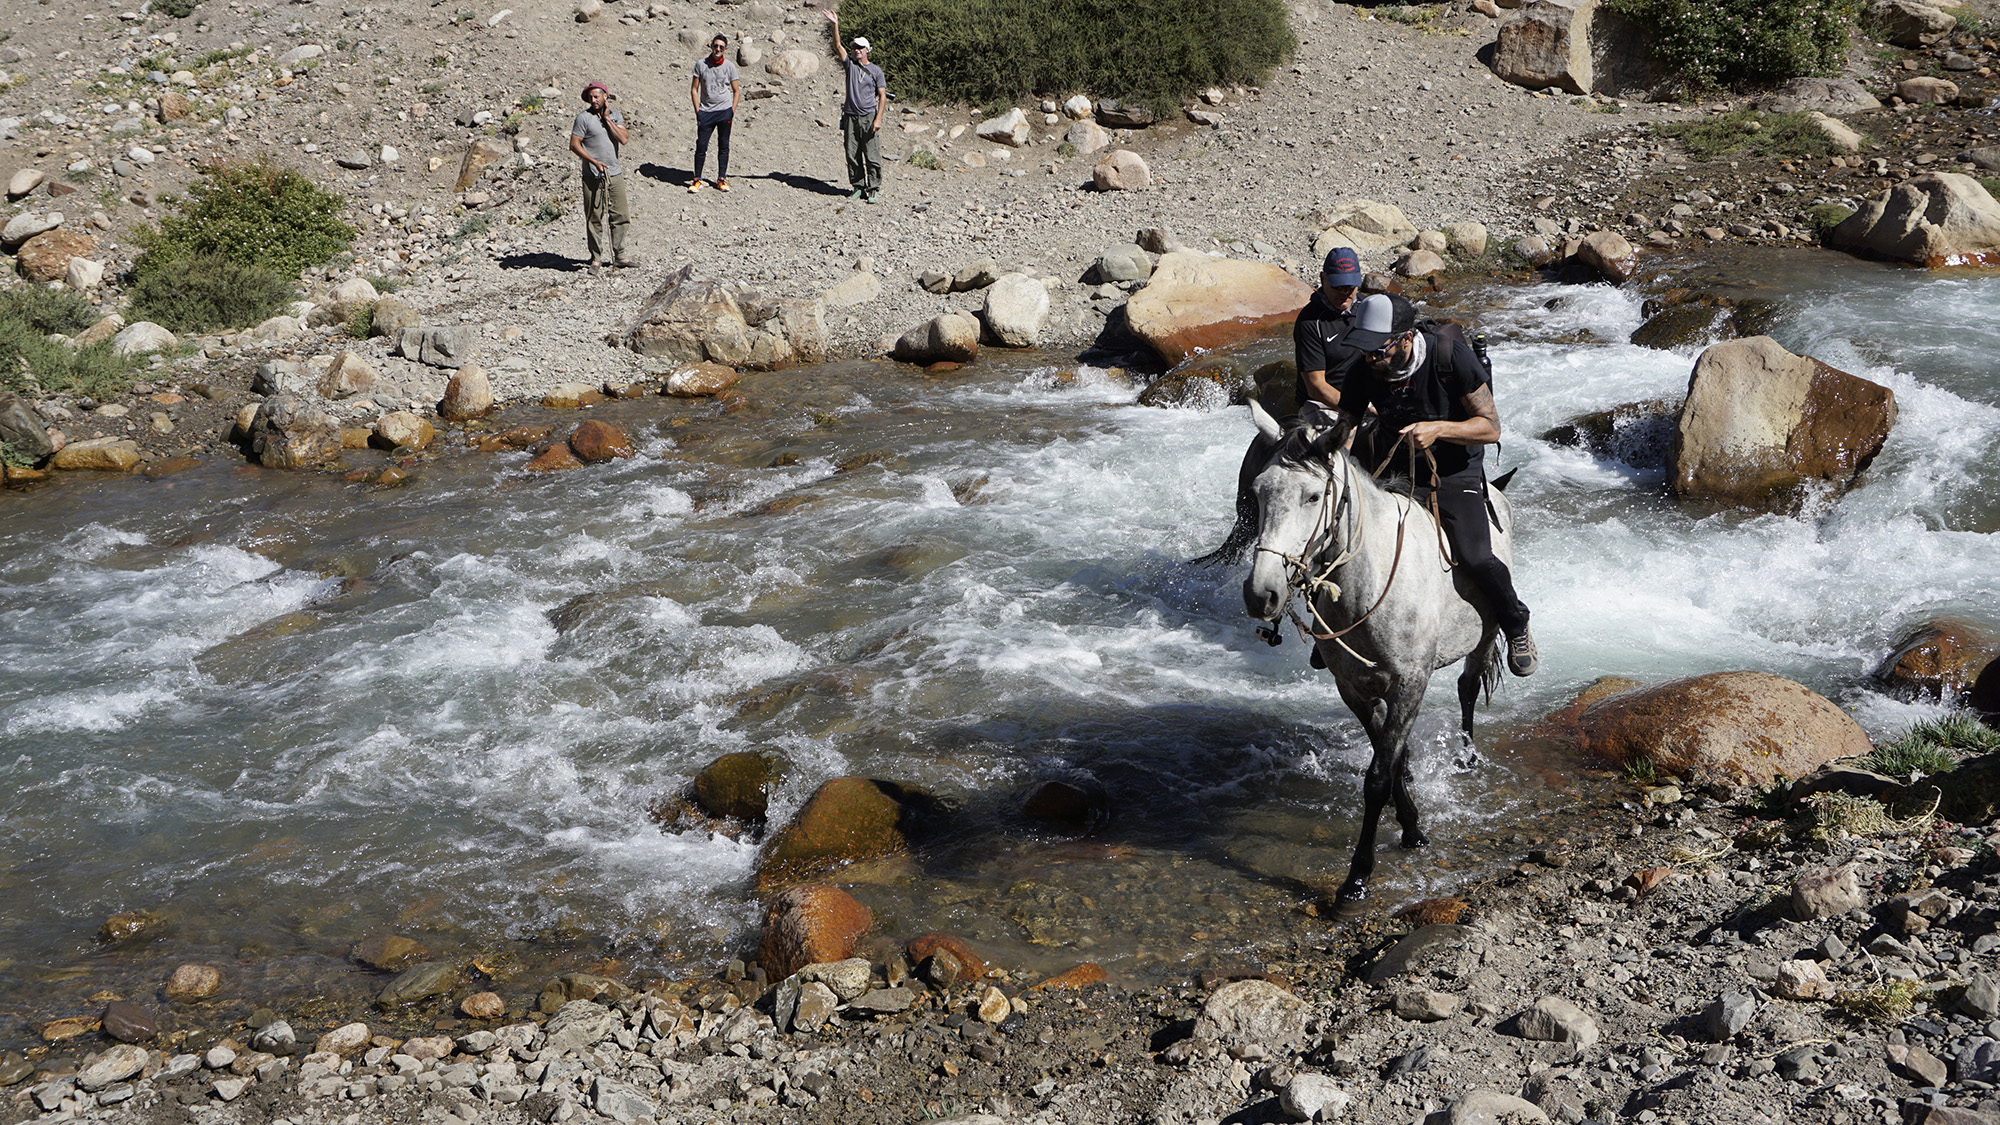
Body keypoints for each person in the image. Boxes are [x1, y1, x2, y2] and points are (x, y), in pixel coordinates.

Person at [1337, 293, 1537, 676]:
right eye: (1364, 349)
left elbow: (1491, 428)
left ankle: (1516, 623)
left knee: (1475, 555)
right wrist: (1333, 460)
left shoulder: (1450, 358)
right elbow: (1346, 426)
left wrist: (1440, 429)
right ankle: (1337, 632)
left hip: (1452, 471)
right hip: (1392, 467)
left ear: (1406, 338)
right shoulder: (1364, 368)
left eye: (1377, 350)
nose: (1370, 358)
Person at [1192, 247, 1367, 567]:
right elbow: (1317, 386)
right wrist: (1362, 410)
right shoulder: (1310, 323)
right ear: (1323, 279)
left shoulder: (1366, 309)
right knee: (1338, 455)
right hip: (1325, 405)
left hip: (1366, 400)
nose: (1347, 292)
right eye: (1339, 284)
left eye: (1352, 284)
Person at [569, 81, 634, 270]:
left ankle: (620, 256)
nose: (593, 100)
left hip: (614, 173)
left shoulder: (615, 116)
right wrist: (593, 161)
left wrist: (607, 119)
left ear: (606, 96)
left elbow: (623, 139)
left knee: (620, 214)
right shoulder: (583, 118)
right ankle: (596, 258)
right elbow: (574, 145)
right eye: (590, 97)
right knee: (594, 216)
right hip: (592, 175)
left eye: (596, 96)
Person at [823, 9, 885, 202]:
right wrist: (835, 25)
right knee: (852, 153)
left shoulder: (875, 71)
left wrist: (878, 119)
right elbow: (837, 45)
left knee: (872, 154)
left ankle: (873, 188)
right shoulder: (849, 65)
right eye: (855, 47)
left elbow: (882, 96)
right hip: (850, 116)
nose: (856, 50)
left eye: (860, 47)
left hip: (868, 116)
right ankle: (858, 186)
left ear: (867, 50)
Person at [690, 34, 740, 193]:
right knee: (701, 146)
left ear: (725, 49)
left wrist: (731, 111)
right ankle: (697, 179)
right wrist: (698, 111)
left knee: (723, 145)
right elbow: (694, 89)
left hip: (724, 111)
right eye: (715, 45)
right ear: (711, 46)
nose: (718, 49)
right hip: (706, 112)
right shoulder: (700, 65)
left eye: (721, 47)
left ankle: (721, 178)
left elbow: (736, 91)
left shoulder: (730, 67)